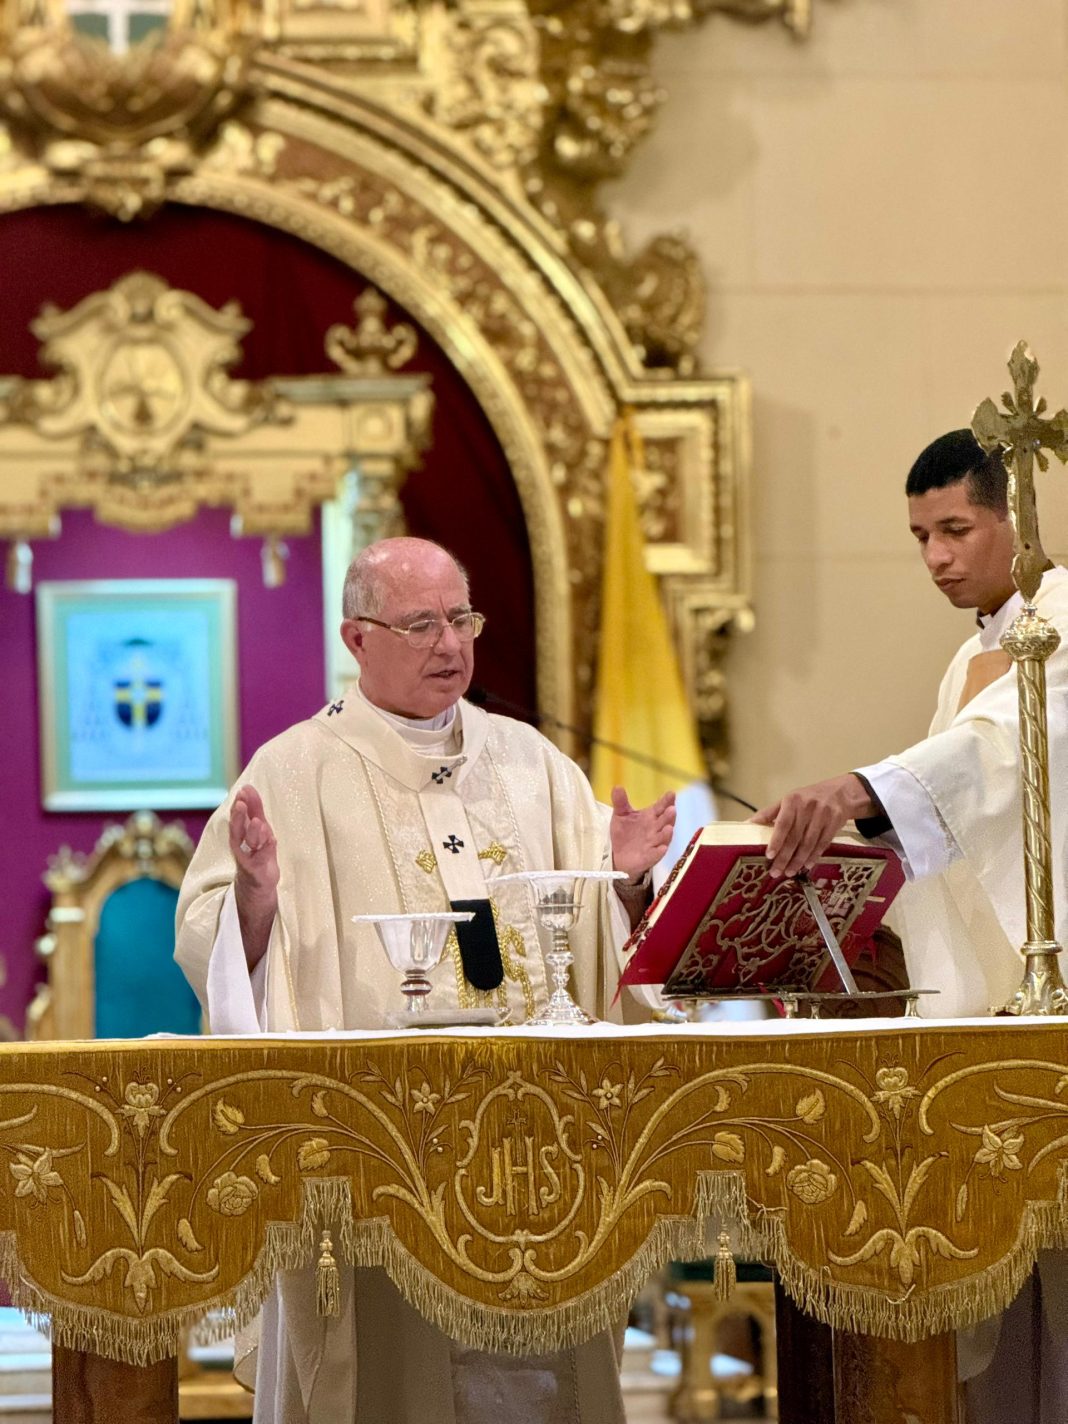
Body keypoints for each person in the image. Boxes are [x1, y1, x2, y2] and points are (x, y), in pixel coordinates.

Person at [175, 536, 676, 1424]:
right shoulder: (293, 773)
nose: (452, 644)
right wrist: (255, 896)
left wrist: (627, 878)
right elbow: (218, 945)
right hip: (381, 1148)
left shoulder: (532, 762)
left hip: (537, 1144)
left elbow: (600, 933)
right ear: (356, 638)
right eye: (421, 624)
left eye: (462, 618)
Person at [753, 429, 1068, 1422]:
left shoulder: (1060, 622)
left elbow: (997, 755)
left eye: (955, 528)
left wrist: (857, 788)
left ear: (1018, 517)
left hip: (1046, 1002)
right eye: (919, 536)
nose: (936, 556)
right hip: (989, 1014)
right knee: (1010, 1304)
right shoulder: (971, 651)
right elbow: (952, 826)